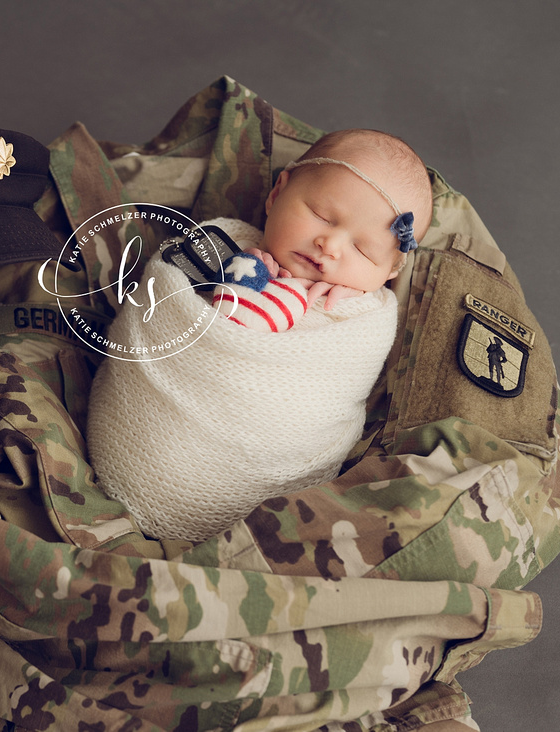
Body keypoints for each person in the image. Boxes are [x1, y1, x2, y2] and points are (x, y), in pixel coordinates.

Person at [86, 129, 433, 542]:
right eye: (322, 216)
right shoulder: (218, 243)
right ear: (277, 193)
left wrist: (342, 304)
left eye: (364, 250)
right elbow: (161, 299)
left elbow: (331, 384)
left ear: (390, 272)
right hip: (137, 441)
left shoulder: (363, 316)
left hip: (260, 514)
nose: (331, 246)